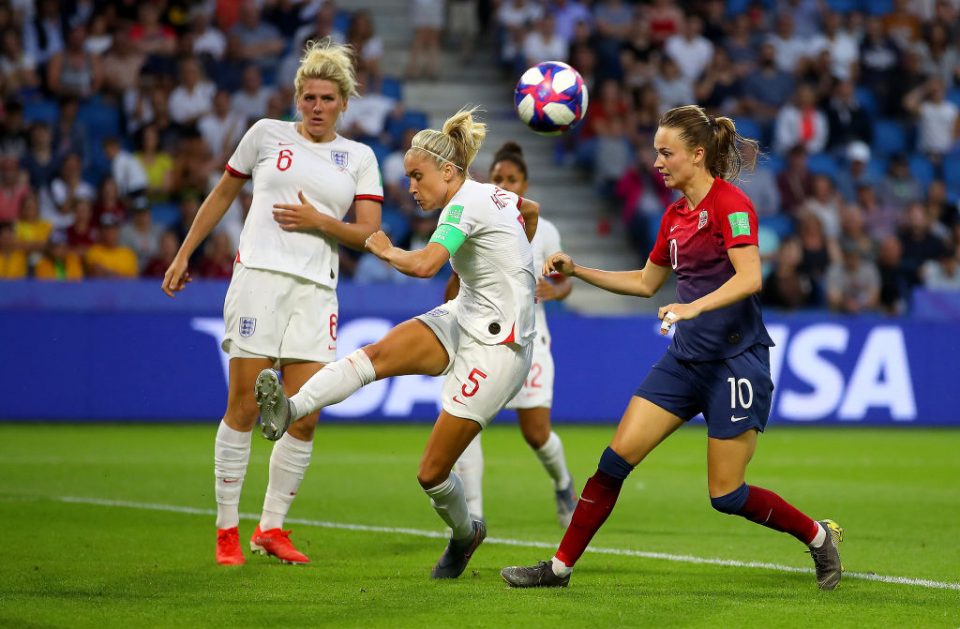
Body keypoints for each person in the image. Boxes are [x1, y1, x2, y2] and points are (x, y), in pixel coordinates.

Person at [501, 105, 844, 591]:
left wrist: (692, 308)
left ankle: (817, 536)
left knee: (726, 494)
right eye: (656, 152)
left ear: (697, 154)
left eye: (667, 153)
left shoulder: (730, 205)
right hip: (685, 361)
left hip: (735, 362)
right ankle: (558, 569)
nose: (657, 162)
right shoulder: (675, 216)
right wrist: (579, 271)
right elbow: (645, 282)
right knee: (613, 463)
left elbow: (751, 278)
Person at [254, 107, 540, 579]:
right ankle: (292, 408)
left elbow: (427, 265)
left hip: (500, 348)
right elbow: (530, 210)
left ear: (448, 171)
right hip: (467, 314)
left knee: (431, 474)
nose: (410, 187)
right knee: (378, 354)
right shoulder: (492, 194)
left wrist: (385, 250)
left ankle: (466, 534)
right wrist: (515, 268)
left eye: (416, 176)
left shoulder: (465, 204)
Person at [160, 39, 383, 567]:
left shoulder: (359, 158)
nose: (316, 106)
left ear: (344, 102)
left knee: (302, 415)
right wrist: (184, 253)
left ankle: (271, 529)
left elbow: (369, 233)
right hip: (258, 279)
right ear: (296, 97)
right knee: (242, 407)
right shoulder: (265, 134)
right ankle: (226, 532)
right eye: (308, 96)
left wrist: (321, 223)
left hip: (315, 290)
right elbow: (221, 195)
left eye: (327, 98)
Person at [450, 141, 576, 528]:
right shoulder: (476, 219)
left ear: (525, 183)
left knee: (536, 434)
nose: (504, 184)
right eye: (498, 178)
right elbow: (452, 287)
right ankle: (473, 518)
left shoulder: (545, 230)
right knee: (467, 425)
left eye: (512, 179)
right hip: (481, 339)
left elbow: (563, 279)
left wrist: (557, 290)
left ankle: (562, 482)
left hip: (530, 341)